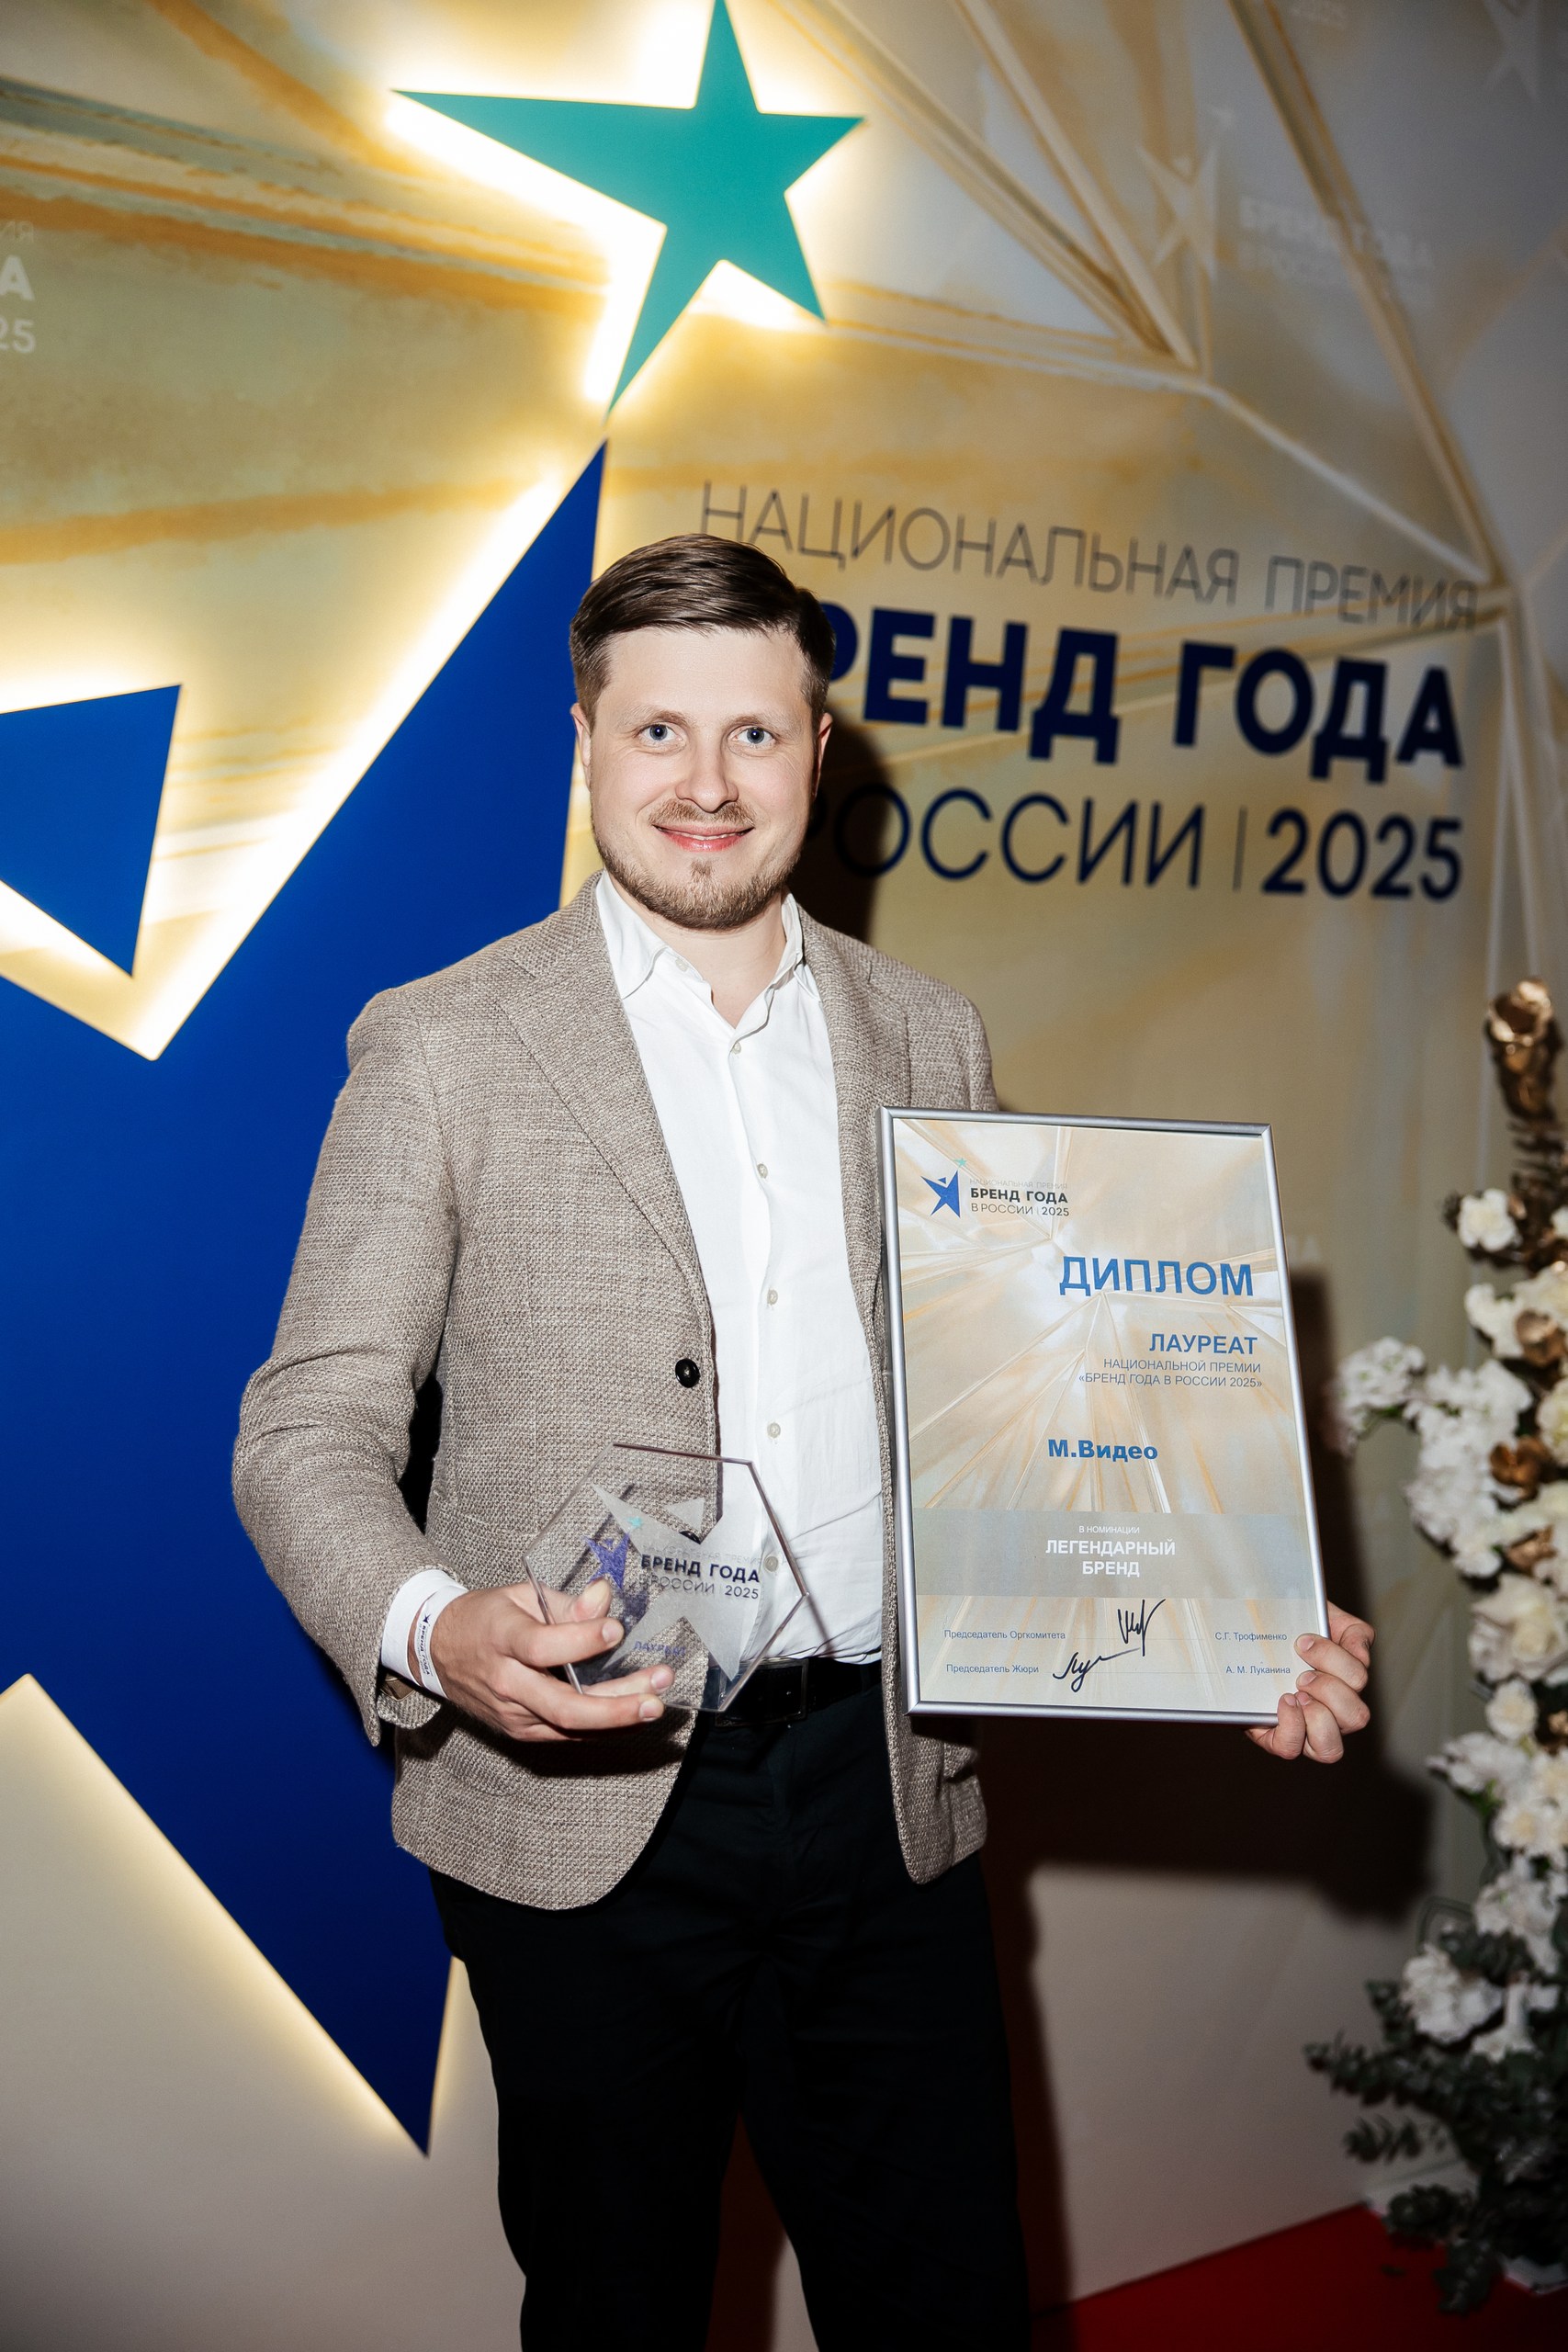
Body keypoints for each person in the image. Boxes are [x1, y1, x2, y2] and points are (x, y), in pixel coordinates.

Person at [234, 534, 1374, 2351]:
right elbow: (306, 1426)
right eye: (658, 731)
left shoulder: (928, 1034)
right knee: (614, 2309)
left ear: (818, 749)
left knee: (945, 2305)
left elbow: (1023, 1415)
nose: (706, 782)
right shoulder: (441, 1045)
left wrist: (1219, 1613)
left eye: (753, 733)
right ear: (585, 744)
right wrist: (435, 1627)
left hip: (883, 1792)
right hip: (584, 1806)